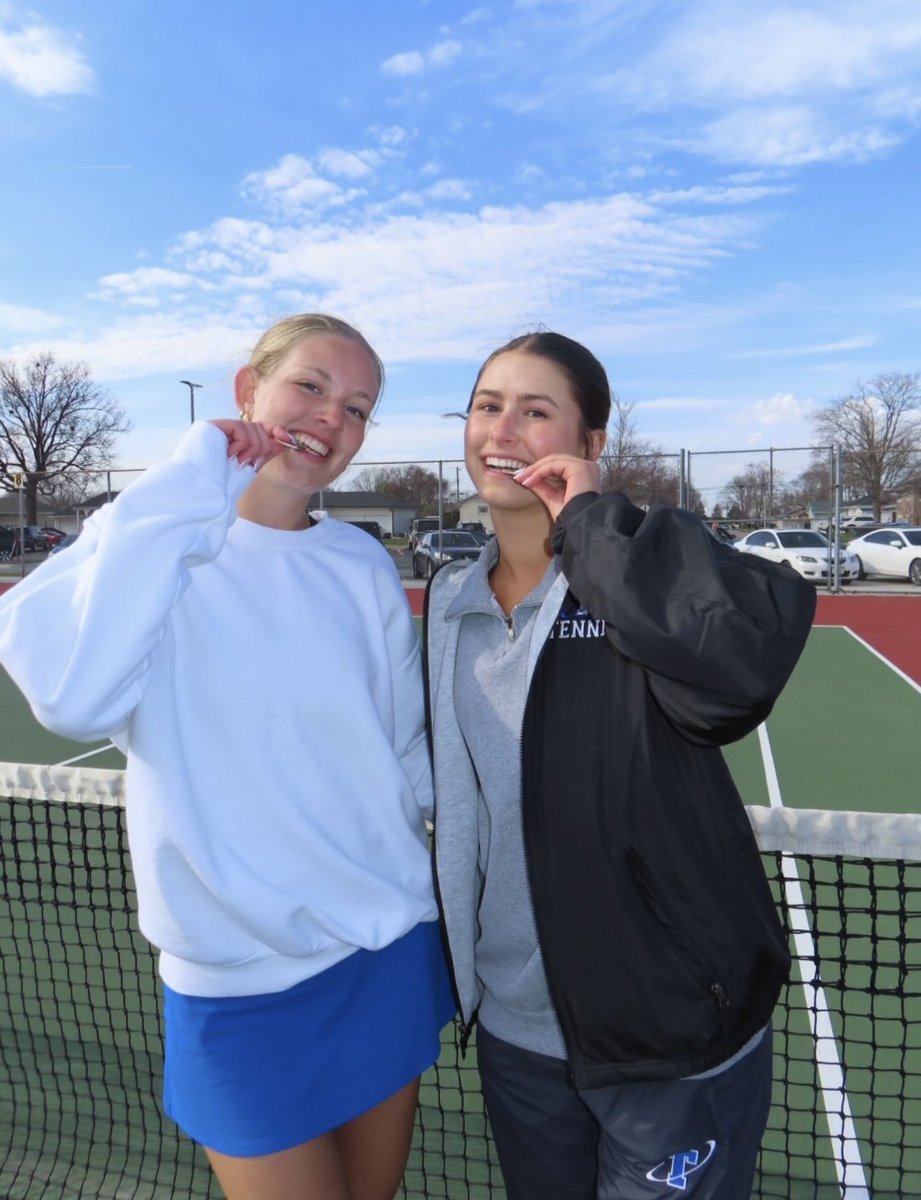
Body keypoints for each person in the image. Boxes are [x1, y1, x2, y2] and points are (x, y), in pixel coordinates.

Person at [0, 314, 455, 1200]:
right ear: (247, 391)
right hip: (234, 987)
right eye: (312, 387)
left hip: (385, 949)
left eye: (358, 407)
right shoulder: (145, 536)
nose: (333, 417)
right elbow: (75, 698)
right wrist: (194, 472)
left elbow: (404, 754)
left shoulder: (361, 566)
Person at [423, 331, 816, 1199]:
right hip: (518, 1027)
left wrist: (592, 525)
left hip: (664, 1029)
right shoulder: (450, 604)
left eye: (535, 411)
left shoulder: (643, 561)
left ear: (591, 444)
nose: (503, 429)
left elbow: (738, 669)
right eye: (487, 406)